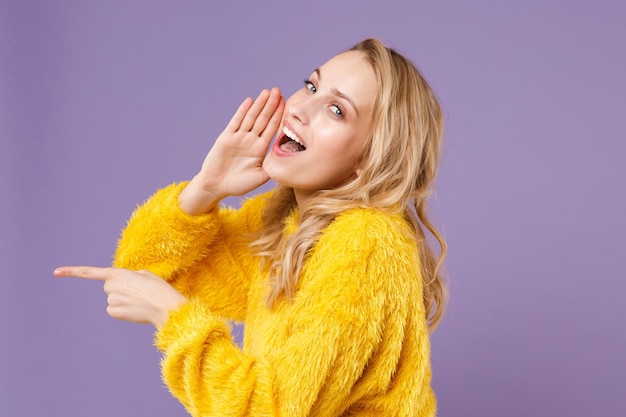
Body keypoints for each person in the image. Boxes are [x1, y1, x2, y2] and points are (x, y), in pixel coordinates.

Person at [54, 38, 447, 417]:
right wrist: (204, 188)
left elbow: (270, 411)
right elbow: (150, 270)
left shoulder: (368, 243)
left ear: (371, 158)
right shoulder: (285, 223)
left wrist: (173, 317)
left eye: (336, 110)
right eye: (311, 85)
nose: (299, 109)